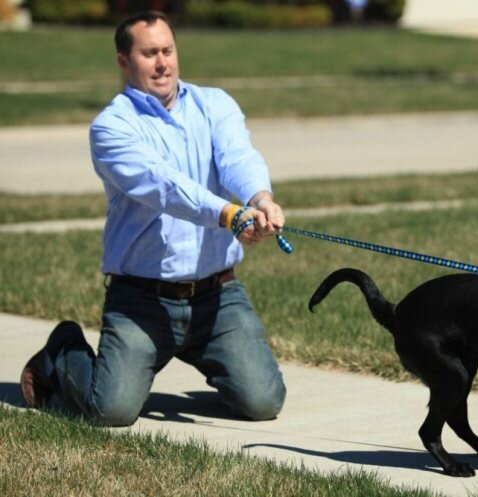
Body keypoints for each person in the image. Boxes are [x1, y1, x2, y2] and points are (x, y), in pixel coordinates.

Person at [20, 12, 287, 426]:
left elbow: (237, 157)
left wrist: (261, 198)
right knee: (109, 411)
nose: (162, 62)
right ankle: (62, 350)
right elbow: (162, 185)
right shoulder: (112, 127)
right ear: (124, 62)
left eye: (168, 50)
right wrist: (228, 213)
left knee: (264, 403)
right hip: (140, 300)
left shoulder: (214, 103)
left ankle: (216, 358)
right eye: (149, 53)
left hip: (216, 296)